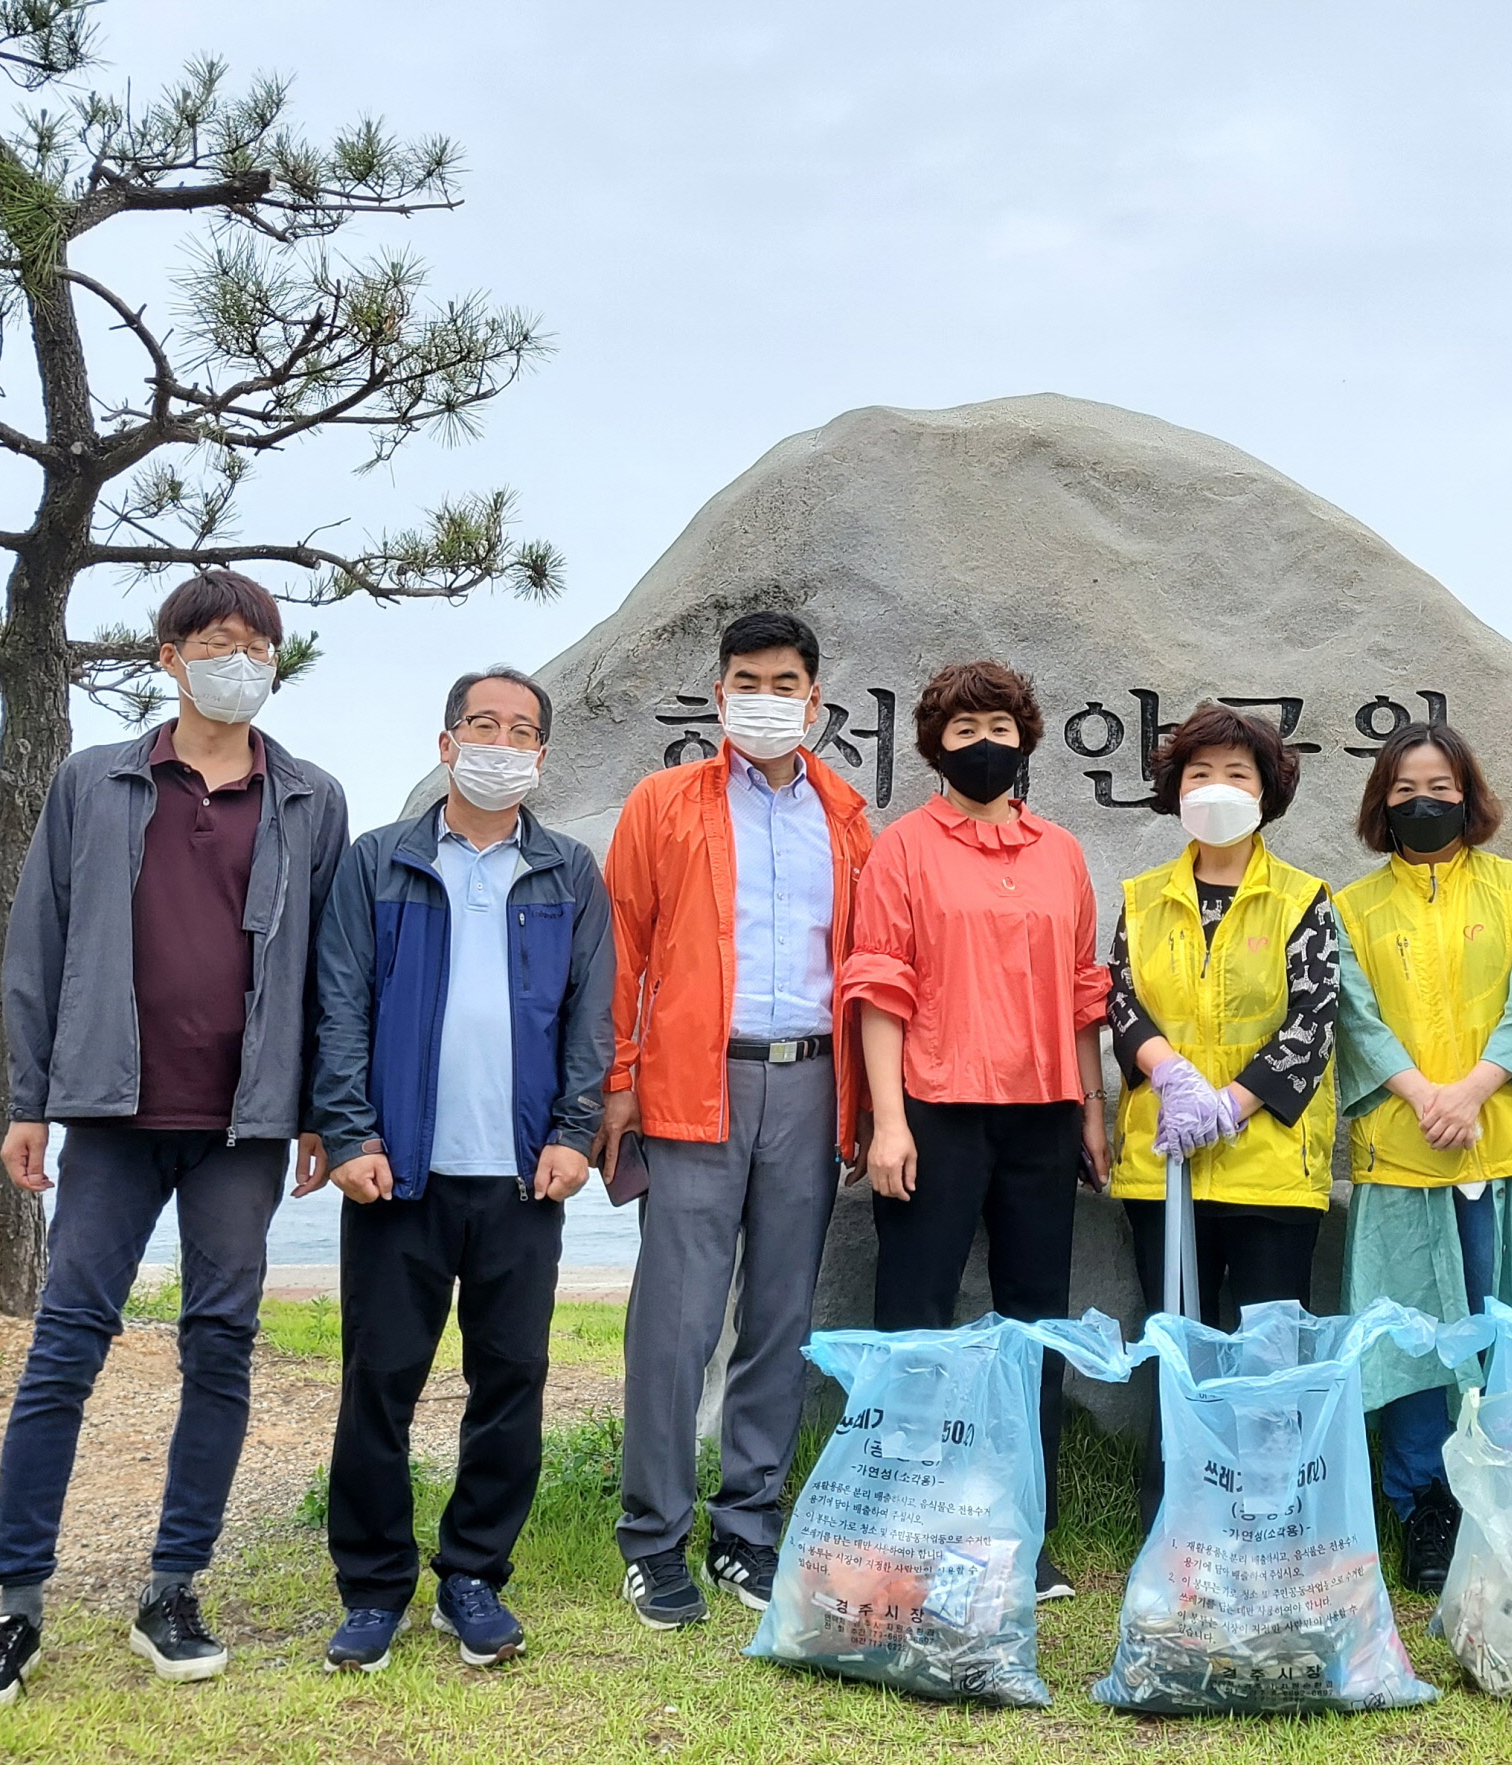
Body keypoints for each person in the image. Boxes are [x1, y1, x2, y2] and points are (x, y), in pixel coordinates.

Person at [0, 570, 348, 1714]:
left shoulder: (312, 797)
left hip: (243, 1126)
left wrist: (321, 1109)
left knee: (220, 1345)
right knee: (64, 1349)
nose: (243, 663)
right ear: (167, 656)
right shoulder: (96, 781)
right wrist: (29, 1102)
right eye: (218, 643)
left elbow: (328, 969)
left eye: (260, 647)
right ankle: (15, 1604)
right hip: (111, 1114)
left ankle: (174, 1588)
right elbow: (36, 946)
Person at [308, 667, 614, 1672]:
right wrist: (349, 1136)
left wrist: (575, 1130)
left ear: (539, 755)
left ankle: (473, 1574)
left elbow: (589, 1018)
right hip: (400, 1174)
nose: (500, 741)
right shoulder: (377, 862)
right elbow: (340, 1006)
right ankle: (372, 1585)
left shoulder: (569, 872)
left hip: (523, 1176)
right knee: (380, 1379)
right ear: (446, 743)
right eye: (482, 723)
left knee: (511, 1379)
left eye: (520, 729)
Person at [595, 611, 876, 1630]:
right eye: (747, 679)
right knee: (673, 1324)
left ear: (815, 698)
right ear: (720, 695)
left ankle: (747, 1530)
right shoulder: (663, 804)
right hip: (688, 1084)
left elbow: (862, 970)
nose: (767, 695)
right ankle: (652, 1539)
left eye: (786, 679)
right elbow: (619, 952)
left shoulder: (845, 815)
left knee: (777, 1321)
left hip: (807, 1084)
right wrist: (616, 1084)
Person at [844, 659, 1111, 1605]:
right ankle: (896, 1523)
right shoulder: (904, 848)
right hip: (934, 1111)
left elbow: (1086, 991)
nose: (984, 743)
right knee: (914, 1320)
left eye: (999, 725)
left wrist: (1091, 1104)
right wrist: (886, 1122)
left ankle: (1022, 1529)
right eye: (963, 731)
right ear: (935, 745)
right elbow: (878, 987)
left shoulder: (1061, 852)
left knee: (1031, 1325)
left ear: (1027, 734)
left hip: (1042, 1117)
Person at [1332, 720, 1512, 1596]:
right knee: (1411, 1343)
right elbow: (1355, 1018)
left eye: (1438, 786)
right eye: (1402, 791)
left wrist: (1470, 1091)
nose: (1422, 802)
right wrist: (1421, 1094)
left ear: (1469, 795)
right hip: (1404, 1151)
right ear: (1378, 804)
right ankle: (1424, 1503)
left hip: (1503, 1145)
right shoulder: (1351, 906)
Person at [1104, 702, 1339, 1519]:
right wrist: (1168, 1074)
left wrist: (1231, 1104)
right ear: (1174, 788)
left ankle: (1270, 1502)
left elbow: (1314, 1018)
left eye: (1236, 773)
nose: (1216, 788)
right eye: (1199, 772)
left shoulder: (1304, 898)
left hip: (1269, 1167)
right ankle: (1180, 1502)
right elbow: (1121, 1000)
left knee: (1267, 1350)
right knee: (1178, 1335)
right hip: (1163, 1162)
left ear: (1267, 791)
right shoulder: (1141, 898)